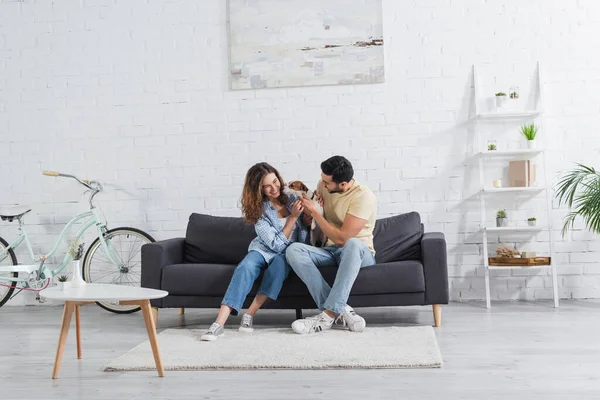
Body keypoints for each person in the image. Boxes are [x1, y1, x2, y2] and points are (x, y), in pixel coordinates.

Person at [201, 162, 310, 341]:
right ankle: (218, 324)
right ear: (258, 189)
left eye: (275, 181)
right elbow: (274, 245)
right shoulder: (258, 210)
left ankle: (249, 314)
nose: (274, 188)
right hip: (264, 249)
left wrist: (306, 217)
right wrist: (293, 218)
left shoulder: (291, 199)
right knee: (246, 267)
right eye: (267, 186)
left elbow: (305, 232)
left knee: (279, 268)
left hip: (288, 253)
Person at [285, 155, 377, 334]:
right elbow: (313, 221)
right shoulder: (323, 186)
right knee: (293, 250)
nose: (322, 184)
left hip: (359, 253)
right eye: (322, 179)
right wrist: (309, 214)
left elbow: (343, 239)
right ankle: (341, 310)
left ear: (342, 184)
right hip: (329, 250)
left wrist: (316, 213)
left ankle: (326, 316)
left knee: (352, 244)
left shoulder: (363, 197)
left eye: (327, 182)